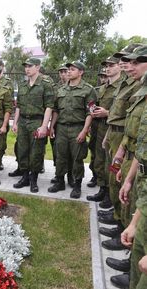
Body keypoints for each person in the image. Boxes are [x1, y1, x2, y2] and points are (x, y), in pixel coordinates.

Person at [98, 44, 143, 240]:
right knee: (115, 177)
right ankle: (118, 218)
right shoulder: (127, 83)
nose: (127, 65)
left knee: (127, 186)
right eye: (125, 60)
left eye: (133, 61)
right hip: (118, 138)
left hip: (131, 146)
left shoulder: (137, 85)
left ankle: (123, 225)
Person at [118, 45, 147, 289]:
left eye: (138, 62)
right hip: (140, 171)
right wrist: (128, 177)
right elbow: (142, 142)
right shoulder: (141, 92)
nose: (131, 66)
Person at [48, 61, 96, 198]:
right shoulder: (61, 90)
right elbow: (56, 110)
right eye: (68, 69)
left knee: (77, 158)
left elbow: (90, 113)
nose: (68, 71)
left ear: (81, 72)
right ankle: (60, 182)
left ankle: (77, 185)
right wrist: (52, 126)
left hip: (77, 128)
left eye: (72, 69)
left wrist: (84, 130)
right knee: (60, 156)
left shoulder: (88, 90)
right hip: (61, 128)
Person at [12, 57, 54, 193]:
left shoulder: (46, 84)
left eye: (30, 66)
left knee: (36, 152)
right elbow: (18, 106)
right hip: (23, 121)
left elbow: (49, 107)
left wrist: (43, 126)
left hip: (37, 121)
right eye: (26, 66)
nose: (27, 69)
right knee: (22, 150)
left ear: (38, 67)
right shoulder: (23, 85)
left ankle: (33, 180)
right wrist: (16, 123)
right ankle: (24, 177)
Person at [87, 56, 124, 207]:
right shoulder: (102, 88)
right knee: (99, 160)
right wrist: (94, 111)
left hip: (113, 129)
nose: (107, 68)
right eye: (106, 66)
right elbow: (94, 106)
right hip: (99, 127)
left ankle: (111, 194)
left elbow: (123, 112)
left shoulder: (122, 87)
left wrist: (107, 113)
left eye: (111, 65)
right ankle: (102, 189)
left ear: (120, 66)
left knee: (111, 162)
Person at [50, 64, 75, 187]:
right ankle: (58, 174)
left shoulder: (75, 86)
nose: (63, 74)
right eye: (61, 72)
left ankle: (71, 175)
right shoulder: (55, 88)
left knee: (71, 152)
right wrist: (51, 126)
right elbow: (54, 107)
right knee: (58, 152)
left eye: (65, 71)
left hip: (72, 124)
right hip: (58, 124)